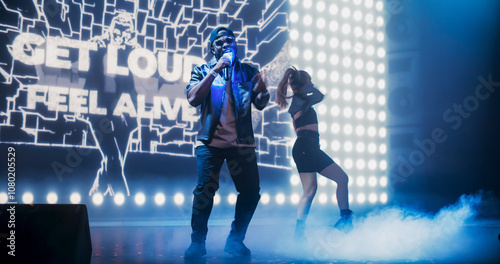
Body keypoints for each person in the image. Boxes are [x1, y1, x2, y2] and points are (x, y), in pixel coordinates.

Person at [184, 26, 269, 259]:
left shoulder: (249, 71)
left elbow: (260, 103)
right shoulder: (202, 70)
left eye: (230, 40)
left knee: (251, 193)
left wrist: (263, 90)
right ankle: (197, 243)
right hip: (210, 144)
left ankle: (235, 240)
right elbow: (193, 99)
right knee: (204, 193)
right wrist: (216, 69)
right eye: (220, 42)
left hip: (242, 144)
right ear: (213, 48)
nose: (226, 44)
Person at [275, 67, 353, 239]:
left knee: (317, 188)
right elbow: (320, 96)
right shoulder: (300, 99)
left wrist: (305, 84)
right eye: (309, 80)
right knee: (316, 188)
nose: (311, 83)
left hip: (308, 147)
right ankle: (342, 220)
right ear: (302, 85)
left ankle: (341, 220)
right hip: (306, 147)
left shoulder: (299, 101)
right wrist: (308, 85)